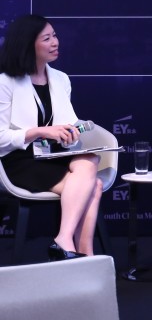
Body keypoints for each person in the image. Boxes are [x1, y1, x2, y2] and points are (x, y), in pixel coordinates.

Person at [0, 14, 103, 261]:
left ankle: (64, 242)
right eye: (47, 38)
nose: (55, 42)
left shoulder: (60, 78)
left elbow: (67, 121)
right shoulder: (5, 81)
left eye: (54, 36)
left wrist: (72, 131)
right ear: (28, 44)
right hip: (19, 159)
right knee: (94, 186)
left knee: (89, 159)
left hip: (52, 153)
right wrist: (39, 131)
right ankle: (84, 254)